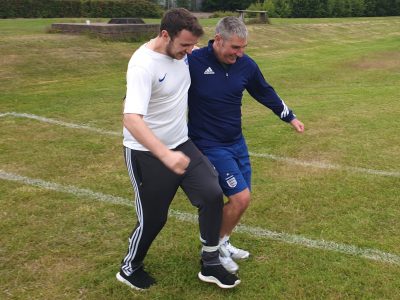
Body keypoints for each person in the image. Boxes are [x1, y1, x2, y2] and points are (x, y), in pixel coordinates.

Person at [116, 9, 240, 290]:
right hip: (146, 152)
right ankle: (130, 266)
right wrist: (164, 154)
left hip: (181, 143)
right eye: (184, 45)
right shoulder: (143, 65)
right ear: (164, 35)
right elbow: (131, 119)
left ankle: (210, 263)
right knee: (154, 218)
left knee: (211, 193)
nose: (189, 51)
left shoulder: (182, 53)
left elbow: (198, 51)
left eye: (191, 45)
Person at [187, 16, 305, 273]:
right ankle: (213, 250)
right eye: (235, 48)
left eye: (243, 48)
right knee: (240, 198)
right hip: (209, 144)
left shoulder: (245, 65)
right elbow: (166, 75)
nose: (239, 54)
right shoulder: (193, 62)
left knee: (242, 199)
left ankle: (222, 241)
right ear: (218, 40)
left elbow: (264, 92)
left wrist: (290, 116)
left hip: (237, 143)